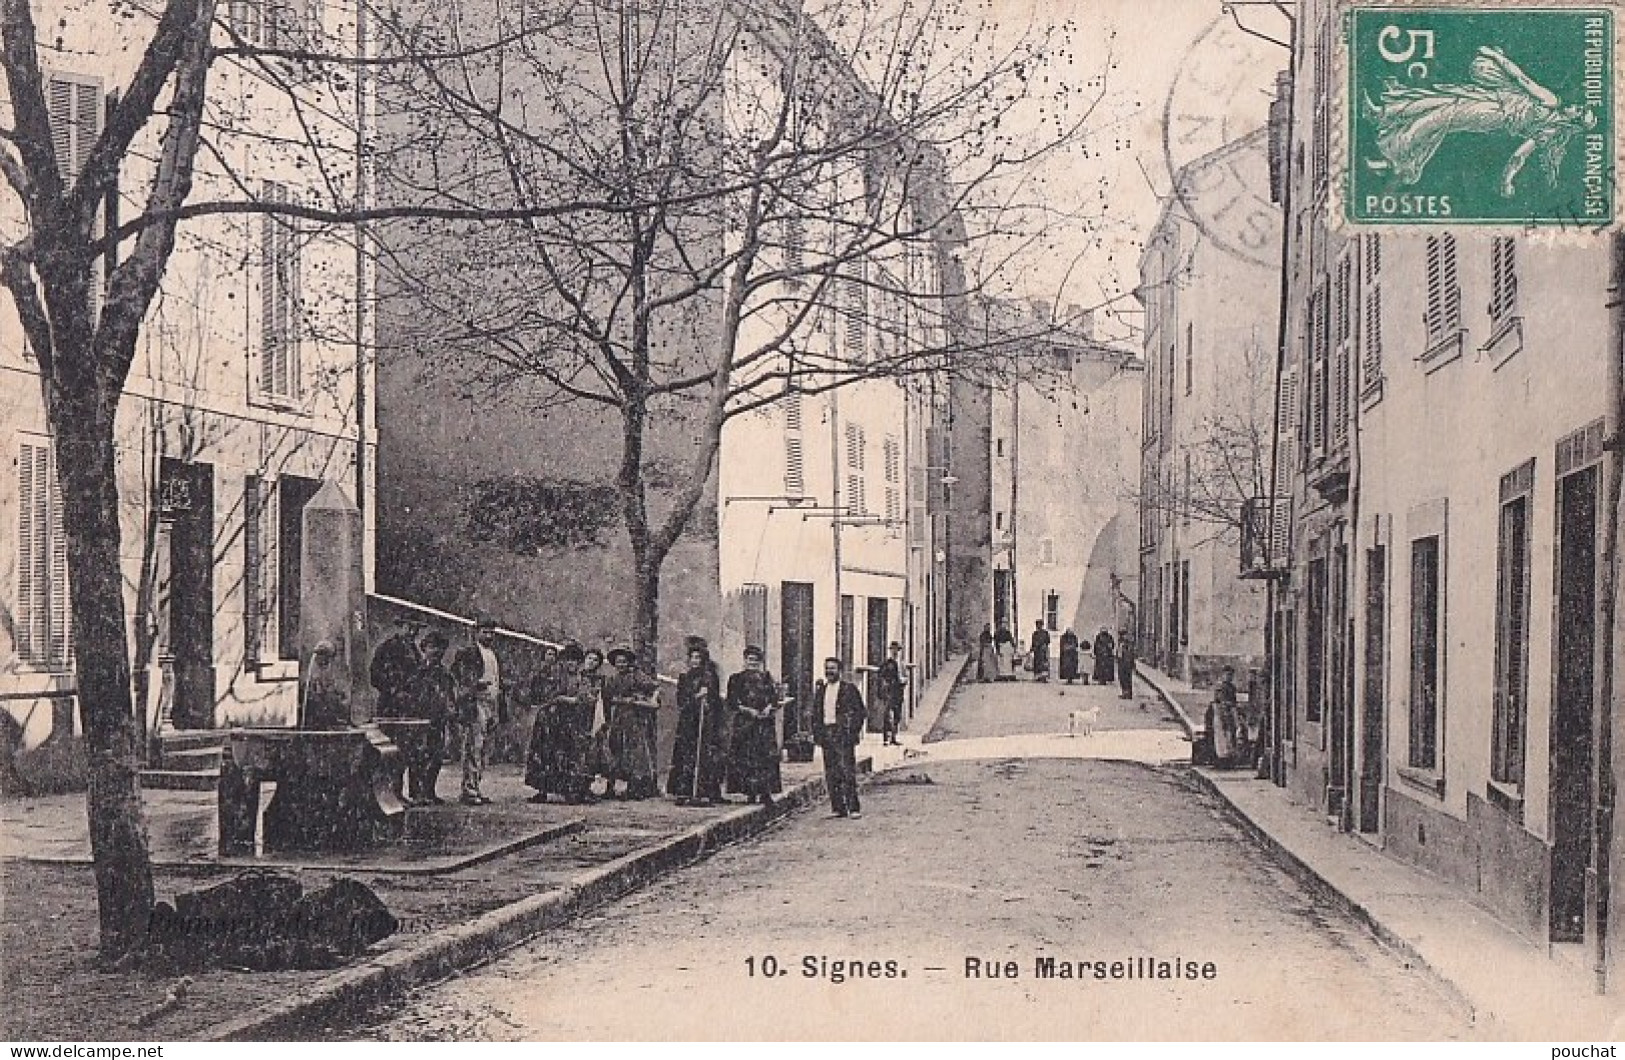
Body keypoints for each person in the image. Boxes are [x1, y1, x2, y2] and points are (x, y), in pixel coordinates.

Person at [525, 642, 595, 803]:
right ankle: (542, 789)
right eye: (568, 660)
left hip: (570, 721)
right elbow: (543, 695)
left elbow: (584, 699)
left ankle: (568, 790)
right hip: (549, 720)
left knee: (567, 755)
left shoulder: (582, 679)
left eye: (575, 661)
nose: (571, 664)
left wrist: (565, 699)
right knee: (544, 754)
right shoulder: (554, 676)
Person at [451, 616, 506, 805]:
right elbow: (457, 675)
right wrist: (475, 684)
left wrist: (498, 707)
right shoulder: (468, 652)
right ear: (477, 632)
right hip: (475, 703)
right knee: (473, 747)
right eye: (485, 632)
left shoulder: (492, 654)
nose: (489, 635)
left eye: (492, 632)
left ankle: (476, 786)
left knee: (484, 749)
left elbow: (498, 682)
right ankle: (468, 790)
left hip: (491, 704)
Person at [668, 638, 726, 806]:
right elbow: (681, 701)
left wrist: (708, 698)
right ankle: (684, 791)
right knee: (686, 755)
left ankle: (704, 792)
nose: (695, 661)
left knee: (705, 754)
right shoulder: (684, 678)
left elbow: (716, 700)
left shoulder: (710, 677)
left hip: (706, 722)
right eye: (693, 657)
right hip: (688, 722)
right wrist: (696, 697)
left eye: (698, 658)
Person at [725, 645, 783, 805]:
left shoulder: (766, 678)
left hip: (764, 725)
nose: (753, 663)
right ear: (745, 660)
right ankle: (750, 792)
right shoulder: (736, 679)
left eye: (756, 661)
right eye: (750, 660)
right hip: (745, 724)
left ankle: (765, 793)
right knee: (747, 758)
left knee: (765, 759)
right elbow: (732, 702)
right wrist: (748, 710)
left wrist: (768, 708)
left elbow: (774, 699)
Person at [602, 647, 661, 800]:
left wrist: (641, 700)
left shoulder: (637, 676)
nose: (621, 664)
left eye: (623, 661)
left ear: (629, 662)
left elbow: (655, 688)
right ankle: (612, 785)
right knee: (615, 749)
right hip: (618, 718)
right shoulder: (612, 679)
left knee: (634, 752)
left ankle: (635, 787)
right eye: (618, 662)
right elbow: (607, 698)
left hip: (634, 719)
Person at [812, 657, 866, 819]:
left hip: (842, 734)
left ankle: (853, 807)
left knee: (846, 771)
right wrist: (818, 734)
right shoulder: (821, 690)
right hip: (827, 734)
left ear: (839, 671)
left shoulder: (849, 689)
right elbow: (816, 714)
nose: (829, 671)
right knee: (831, 772)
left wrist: (852, 731)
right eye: (827, 668)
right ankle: (838, 808)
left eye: (833, 668)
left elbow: (860, 712)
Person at [406, 628, 454, 804]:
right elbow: (410, 695)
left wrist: (448, 710)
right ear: (424, 648)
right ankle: (416, 793)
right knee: (417, 757)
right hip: (419, 720)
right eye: (432, 647)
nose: (436, 652)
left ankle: (429, 791)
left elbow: (449, 696)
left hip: (438, 720)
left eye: (440, 648)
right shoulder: (416, 672)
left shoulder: (444, 674)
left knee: (436, 757)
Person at [370, 615, 424, 719]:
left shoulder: (416, 653)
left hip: (410, 706)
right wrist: (392, 690)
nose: (413, 632)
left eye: (416, 629)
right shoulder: (386, 648)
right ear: (401, 626)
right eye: (410, 627)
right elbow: (375, 675)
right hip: (390, 705)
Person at [302, 640, 350, 729]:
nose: (324, 659)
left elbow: (338, 689)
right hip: (316, 708)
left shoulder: (333, 669)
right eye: (321, 655)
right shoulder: (312, 670)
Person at [876, 641, 906, 746]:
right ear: (890, 651)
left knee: (897, 715)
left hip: (899, 692)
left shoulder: (902, 664)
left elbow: (906, 676)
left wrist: (904, 680)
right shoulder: (887, 663)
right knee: (888, 715)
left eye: (897, 650)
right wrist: (885, 685)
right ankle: (886, 738)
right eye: (893, 649)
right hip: (889, 692)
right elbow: (881, 676)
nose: (895, 652)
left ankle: (894, 737)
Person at [1211, 665, 1240, 768]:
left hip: (1229, 715)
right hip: (1221, 714)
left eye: (1231, 675)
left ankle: (1229, 759)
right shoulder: (1220, 688)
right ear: (1223, 675)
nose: (1229, 677)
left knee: (1230, 737)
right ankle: (1222, 760)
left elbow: (1233, 703)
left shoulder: (1232, 688)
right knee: (1222, 738)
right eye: (1227, 675)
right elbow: (1218, 703)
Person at [1116, 630, 1137, 700]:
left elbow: (1130, 653)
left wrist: (1131, 662)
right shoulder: (1120, 642)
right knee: (1122, 677)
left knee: (1126, 678)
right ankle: (1125, 693)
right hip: (1121, 661)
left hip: (1126, 662)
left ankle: (1128, 693)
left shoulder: (1128, 644)